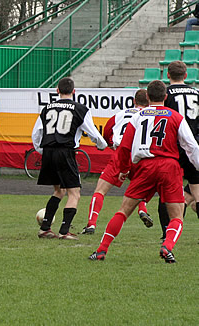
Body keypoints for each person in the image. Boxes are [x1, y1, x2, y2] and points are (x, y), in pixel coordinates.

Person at [89, 80, 199, 263]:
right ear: (165, 97)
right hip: (169, 166)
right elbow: (191, 146)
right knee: (177, 215)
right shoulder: (176, 116)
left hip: (145, 166)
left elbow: (125, 147)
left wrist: (124, 169)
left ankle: (101, 250)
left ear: (147, 97)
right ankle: (167, 246)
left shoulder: (138, 116)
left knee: (124, 210)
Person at [31, 77, 107, 240]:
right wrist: (102, 145)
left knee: (59, 190)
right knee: (74, 193)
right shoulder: (80, 109)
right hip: (65, 152)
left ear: (57, 91)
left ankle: (45, 228)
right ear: (74, 91)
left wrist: (41, 149)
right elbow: (93, 133)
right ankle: (64, 231)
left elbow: (36, 133)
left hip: (49, 151)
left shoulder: (47, 108)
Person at [81, 89, 152, 235]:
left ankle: (91, 224)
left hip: (120, 152)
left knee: (100, 191)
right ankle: (142, 210)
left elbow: (107, 132)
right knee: (141, 187)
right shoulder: (150, 116)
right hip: (141, 154)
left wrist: (112, 144)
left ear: (134, 101)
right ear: (149, 101)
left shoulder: (120, 114)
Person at [157, 60, 199, 241]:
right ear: (186, 75)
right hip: (194, 146)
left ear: (167, 75)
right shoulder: (197, 93)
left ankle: (167, 232)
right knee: (197, 192)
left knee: (166, 191)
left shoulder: (165, 94)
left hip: (173, 148)